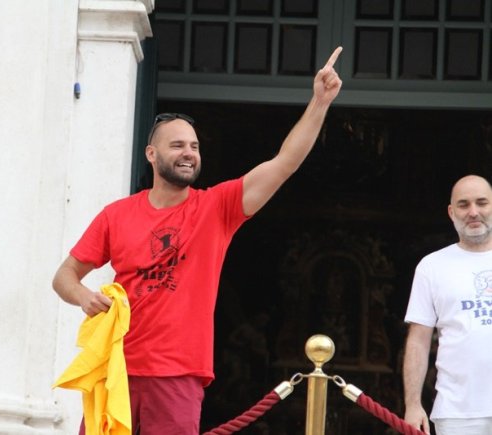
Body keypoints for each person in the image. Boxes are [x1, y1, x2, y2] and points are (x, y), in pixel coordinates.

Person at [52, 46, 343, 434]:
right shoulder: (116, 214)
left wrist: (319, 103)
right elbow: (64, 276)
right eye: (177, 146)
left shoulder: (216, 207)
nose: (188, 153)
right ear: (151, 154)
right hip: (114, 370)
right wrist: (84, 297)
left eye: (194, 146)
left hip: (177, 375)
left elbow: (283, 163)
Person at [403, 175, 492, 435]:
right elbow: (418, 340)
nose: (473, 212)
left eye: (482, 203)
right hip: (457, 413)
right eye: (464, 205)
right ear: (452, 212)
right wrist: (412, 404)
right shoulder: (432, 267)